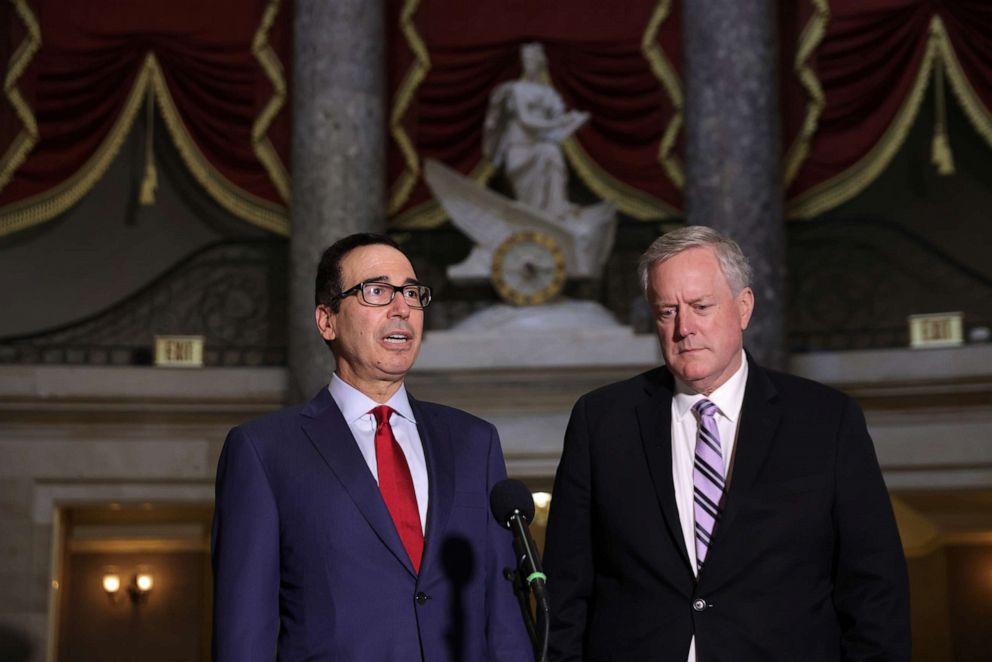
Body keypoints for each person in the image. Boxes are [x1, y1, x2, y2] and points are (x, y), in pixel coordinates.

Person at [543, 225, 910, 661]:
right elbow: (565, 592)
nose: (684, 328)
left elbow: (875, 590)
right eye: (666, 311)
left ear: (743, 308)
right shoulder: (602, 421)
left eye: (700, 306)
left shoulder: (826, 421)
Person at [211, 233, 531, 661]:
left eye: (412, 294)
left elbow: (504, 620)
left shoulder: (475, 442)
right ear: (327, 320)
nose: (402, 309)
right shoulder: (263, 452)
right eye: (377, 292)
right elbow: (244, 635)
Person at [483, 42, 588, 218]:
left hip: (542, 144)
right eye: (526, 60)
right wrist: (560, 123)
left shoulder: (550, 94)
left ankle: (556, 210)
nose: (528, 64)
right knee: (529, 205)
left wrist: (573, 122)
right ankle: (533, 220)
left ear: (540, 63)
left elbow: (558, 129)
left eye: (532, 60)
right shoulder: (517, 89)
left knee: (552, 152)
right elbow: (526, 121)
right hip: (520, 147)